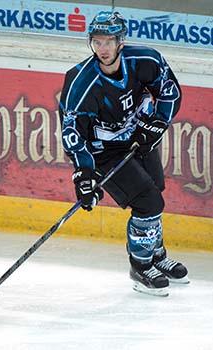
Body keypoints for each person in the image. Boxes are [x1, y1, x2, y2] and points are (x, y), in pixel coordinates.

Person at [59, 11, 189, 297]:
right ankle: (140, 266)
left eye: (108, 41)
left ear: (121, 41)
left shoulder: (145, 61)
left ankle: (156, 256)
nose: (102, 48)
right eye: (96, 42)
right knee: (148, 202)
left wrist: (157, 124)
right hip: (103, 151)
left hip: (137, 138)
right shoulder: (80, 84)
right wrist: (84, 174)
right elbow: (72, 135)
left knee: (155, 192)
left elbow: (169, 92)